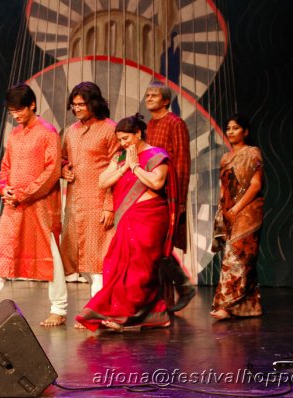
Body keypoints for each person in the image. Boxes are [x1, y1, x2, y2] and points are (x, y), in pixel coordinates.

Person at [75, 113, 179, 332]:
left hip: (150, 218)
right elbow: (103, 181)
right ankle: (154, 314)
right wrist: (124, 166)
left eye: (126, 139)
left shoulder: (157, 155)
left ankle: (126, 315)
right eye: (120, 139)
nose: (122, 144)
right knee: (117, 265)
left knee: (142, 268)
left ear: (138, 133)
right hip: (127, 218)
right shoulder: (121, 157)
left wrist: (135, 167)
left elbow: (157, 182)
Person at [0, 83, 66, 327]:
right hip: (13, 203)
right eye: (12, 111)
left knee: (49, 253)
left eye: (19, 110)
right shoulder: (14, 134)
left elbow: (52, 171)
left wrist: (24, 193)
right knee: (3, 249)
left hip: (39, 205)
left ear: (32, 105)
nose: (15, 115)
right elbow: (5, 168)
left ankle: (59, 308)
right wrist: (5, 188)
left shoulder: (47, 133)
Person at [60, 82, 119, 308]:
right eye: (74, 105)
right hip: (75, 204)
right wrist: (63, 169)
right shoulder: (71, 131)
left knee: (98, 261)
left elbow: (117, 170)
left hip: (99, 202)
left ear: (94, 103)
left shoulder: (110, 129)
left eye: (82, 104)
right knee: (80, 259)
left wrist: (109, 205)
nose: (77, 109)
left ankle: (98, 310)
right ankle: (97, 308)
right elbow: (63, 159)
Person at [144, 81, 195, 312]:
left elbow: (183, 162)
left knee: (161, 245)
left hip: (169, 193)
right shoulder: (148, 126)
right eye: (147, 95)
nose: (149, 98)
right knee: (153, 246)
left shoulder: (175, 123)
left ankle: (184, 285)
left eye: (154, 95)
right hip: (150, 193)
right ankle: (162, 302)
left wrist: (181, 200)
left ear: (166, 100)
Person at [210, 114, 263, 320]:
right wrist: (223, 210)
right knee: (242, 258)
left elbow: (256, 185)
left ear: (246, 132)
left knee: (238, 257)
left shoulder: (252, 153)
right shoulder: (225, 157)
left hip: (249, 211)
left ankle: (226, 305)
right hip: (229, 211)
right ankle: (249, 307)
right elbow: (224, 188)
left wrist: (237, 208)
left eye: (235, 128)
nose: (230, 131)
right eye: (228, 128)